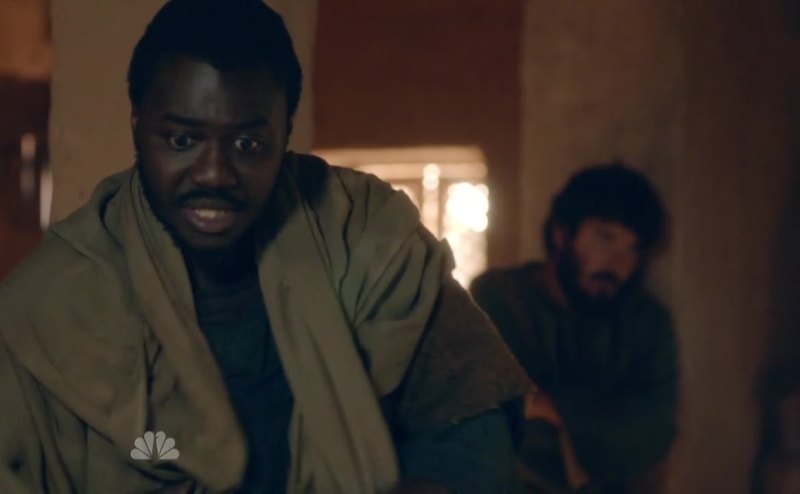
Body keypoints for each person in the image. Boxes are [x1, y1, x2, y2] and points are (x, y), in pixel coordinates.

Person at [0, 1, 528, 492]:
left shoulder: (366, 237)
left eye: (248, 144)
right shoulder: (53, 304)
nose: (214, 173)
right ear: (138, 125)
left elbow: (472, 427)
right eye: (182, 140)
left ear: (285, 133)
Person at [471, 164, 678, 493]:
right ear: (561, 233)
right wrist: (599, 414)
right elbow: (490, 410)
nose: (616, 264)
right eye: (605, 239)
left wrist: (553, 406)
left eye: (631, 250)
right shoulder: (498, 299)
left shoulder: (644, 321)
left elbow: (654, 427)